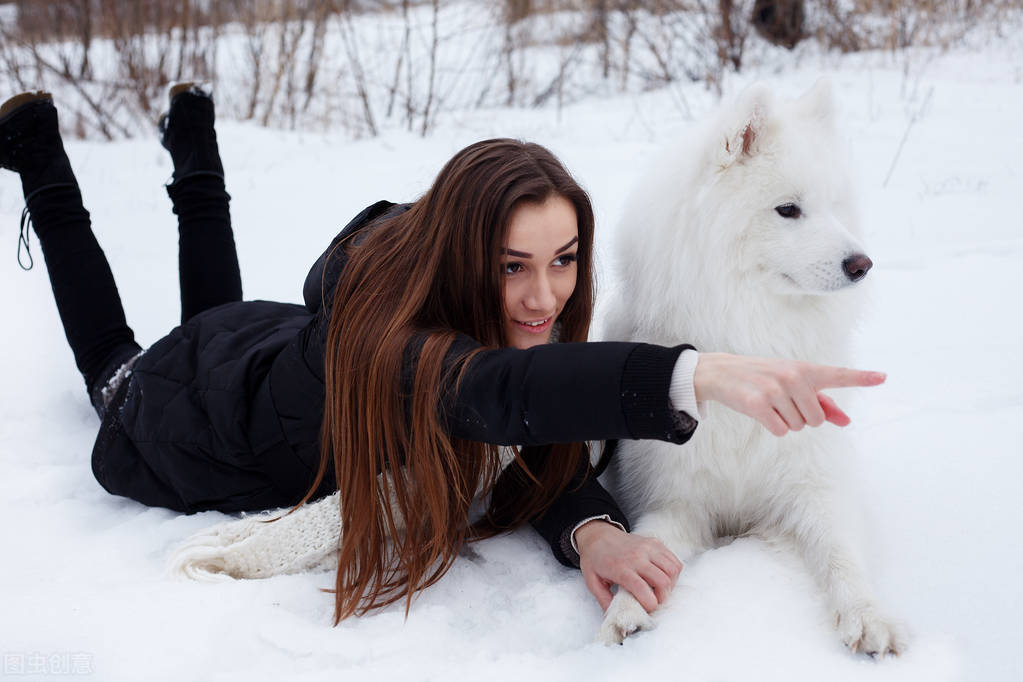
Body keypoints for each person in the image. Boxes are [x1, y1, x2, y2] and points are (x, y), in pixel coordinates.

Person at [0, 86, 885, 624]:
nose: (545, 298)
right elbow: (494, 398)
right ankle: (40, 155)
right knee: (115, 353)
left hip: (257, 343)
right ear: (461, 251)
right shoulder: (404, 347)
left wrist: (590, 531)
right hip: (179, 411)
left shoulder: (458, 303)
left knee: (216, 309)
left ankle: (195, 140)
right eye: (511, 267)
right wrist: (696, 370)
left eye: (564, 260)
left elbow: (522, 444)